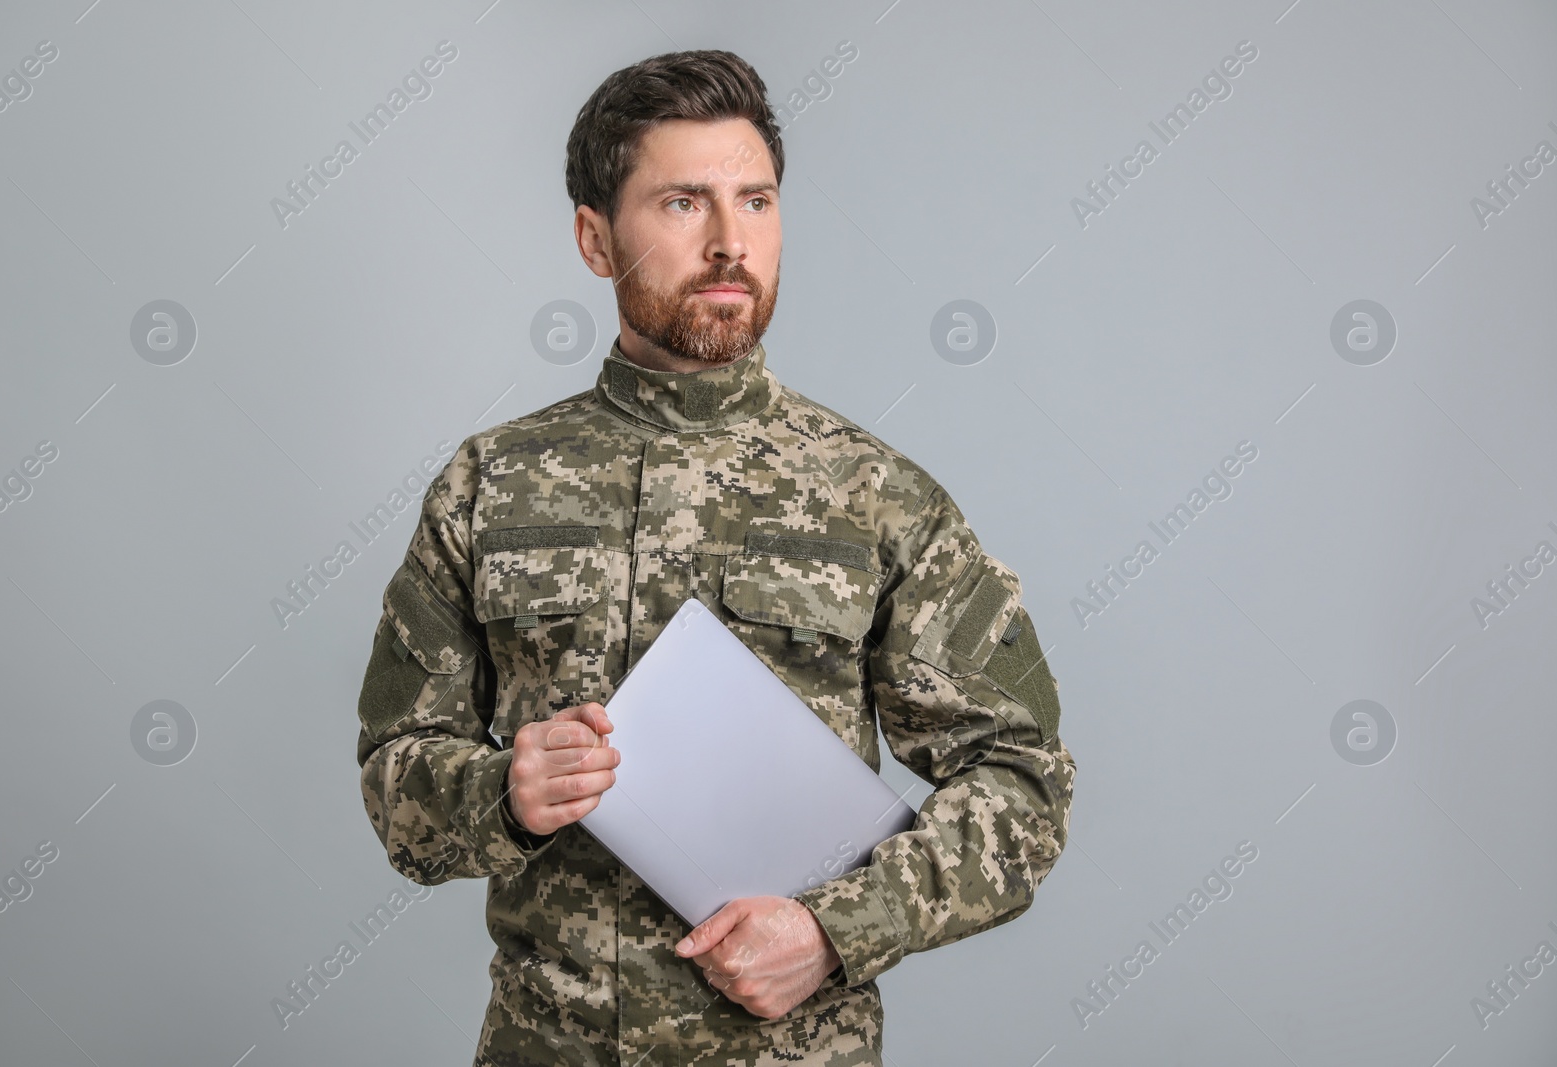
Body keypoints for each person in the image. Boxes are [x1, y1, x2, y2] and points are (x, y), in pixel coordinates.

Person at [355, 48, 1076, 1067]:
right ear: (595, 239)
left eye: (757, 200)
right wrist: (502, 795)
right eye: (685, 203)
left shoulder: (873, 495)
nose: (733, 242)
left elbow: (1023, 781)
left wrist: (837, 929)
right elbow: (396, 778)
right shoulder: (490, 484)